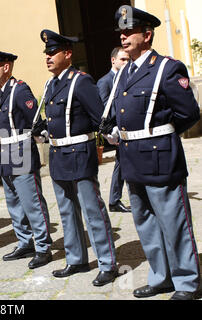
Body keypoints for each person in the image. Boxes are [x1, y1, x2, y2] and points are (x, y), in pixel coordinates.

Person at [105, 6, 201, 300]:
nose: (123, 36)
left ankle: (188, 282)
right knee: (146, 223)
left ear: (147, 35)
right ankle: (162, 277)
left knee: (174, 223)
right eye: (121, 32)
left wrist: (159, 133)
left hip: (160, 157)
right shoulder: (124, 72)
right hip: (132, 158)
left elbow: (189, 112)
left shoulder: (167, 67)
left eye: (129, 31)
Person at [37, 29, 118, 286]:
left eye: (52, 52)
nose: (48, 57)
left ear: (67, 54)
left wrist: (111, 138)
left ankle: (107, 263)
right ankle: (76, 259)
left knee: (92, 211)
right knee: (66, 211)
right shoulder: (51, 83)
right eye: (46, 53)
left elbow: (99, 117)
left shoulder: (80, 81)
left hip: (80, 154)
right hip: (59, 154)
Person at [0, 47, 52, 269]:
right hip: (5, 155)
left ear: (6, 67)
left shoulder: (20, 90)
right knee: (13, 203)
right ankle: (25, 242)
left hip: (21, 151)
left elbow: (34, 120)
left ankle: (43, 246)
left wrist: (41, 135)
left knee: (32, 202)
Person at [96, 47, 131, 213]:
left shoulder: (129, 77)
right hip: (116, 130)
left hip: (130, 128)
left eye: (128, 59)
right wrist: (110, 129)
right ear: (113, 60)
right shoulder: (105, 81)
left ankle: (115, 199)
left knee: (123, 162)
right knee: (121, 163)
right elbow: (103, 108)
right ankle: (114, 200)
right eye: (122, 59)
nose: (126, 63)